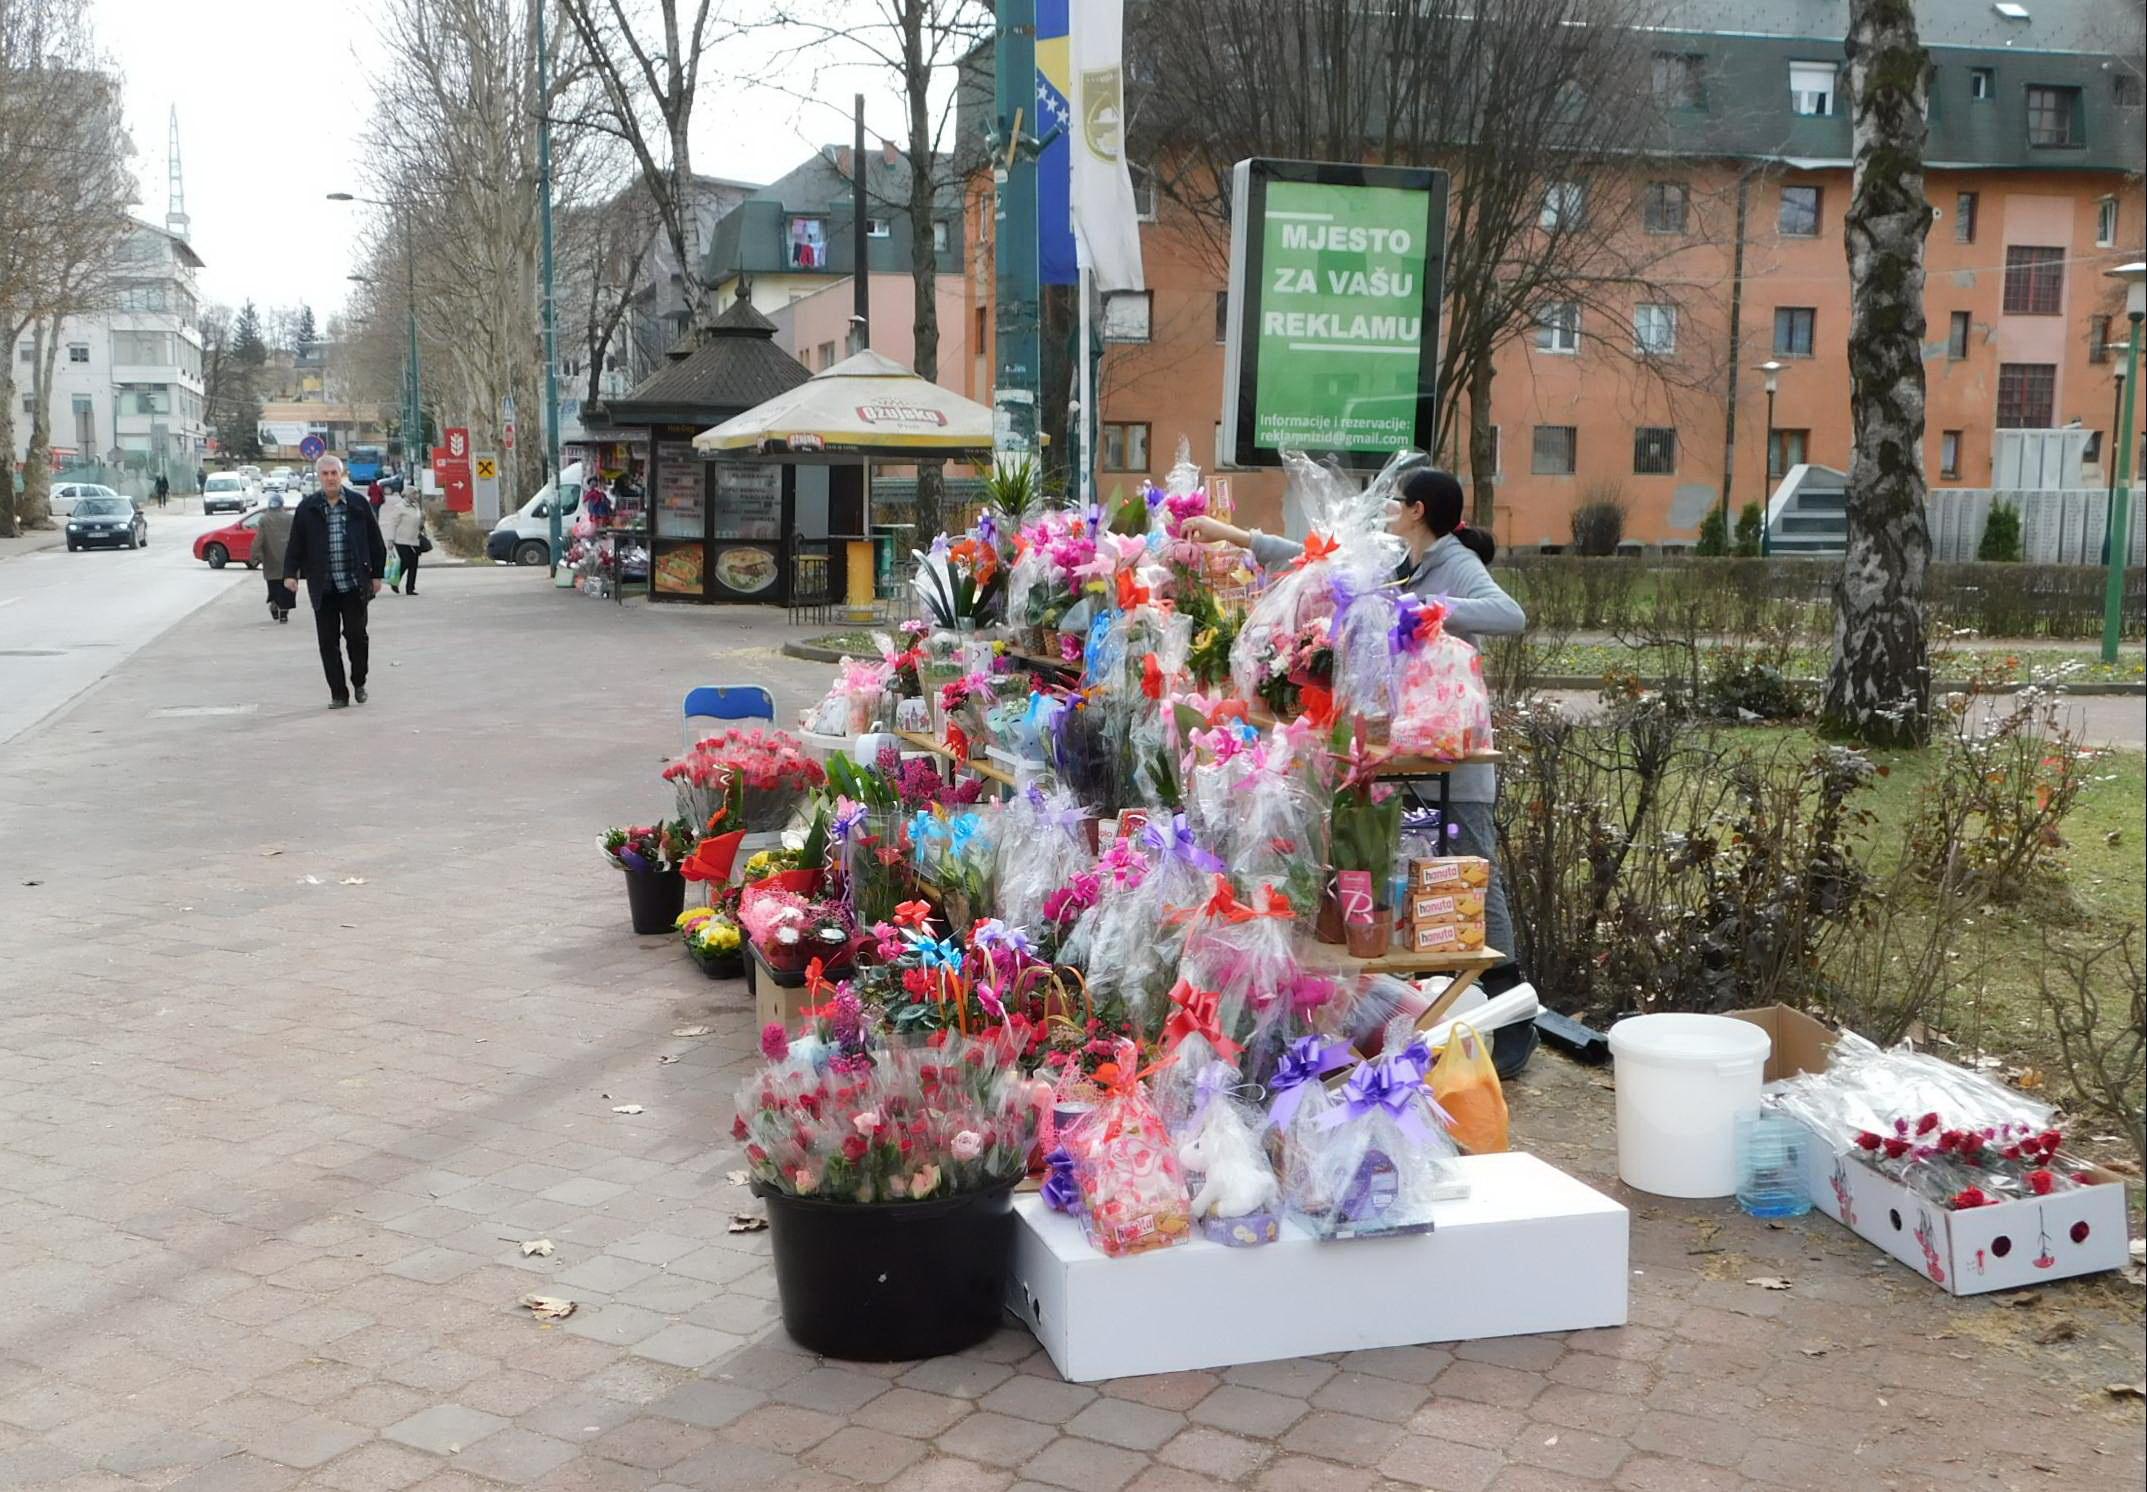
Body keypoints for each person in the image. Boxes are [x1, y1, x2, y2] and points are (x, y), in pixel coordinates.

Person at [1181, 467, 1530, 999]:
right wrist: (1232, 537)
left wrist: (1432, 609)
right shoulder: (1399, 561)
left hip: (1455, 755)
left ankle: (1507, 993)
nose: (1388, 507)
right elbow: (1317, 559)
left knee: (1473, 870)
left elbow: (1511, 614)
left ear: (1418, 511)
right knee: (1430, 877)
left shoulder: (1454, 563)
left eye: (1395, 500)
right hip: (1403, 749)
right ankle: (1448, 994)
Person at [282, 454, 387, 708]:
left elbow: (375, 542)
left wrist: (376, 574)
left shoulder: (358, 504)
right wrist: (290, 573)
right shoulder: (307, 508)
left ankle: (359, 680)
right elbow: (295, 544)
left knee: (356, 637)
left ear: (342, 475)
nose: (330, 478)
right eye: (325, 474)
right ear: (319, 477)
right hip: (324, 586)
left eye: (334, 473)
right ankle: (338, 693)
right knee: (328, 643)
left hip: (353, 583)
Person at [256, 493, 295, 623]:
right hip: (289, 561)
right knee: (288, 588)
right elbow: (298, 539)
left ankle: (274, 603)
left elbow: (258, 540)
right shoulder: (291, 519)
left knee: (274, 587)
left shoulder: (264, 520)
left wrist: (254, 556)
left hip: (271, 561)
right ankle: (284, 612)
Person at [381, 486, 425, 595]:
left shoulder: (416, 506)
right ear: (409, 495)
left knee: (413, 564)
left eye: (417, 494)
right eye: (415, 494)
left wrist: (422, 523)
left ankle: (410, 588)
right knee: (405, 562)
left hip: (414, 539)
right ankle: (395, 582)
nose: (417, 496)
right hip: (401, 540)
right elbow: (393, 524)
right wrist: (390, 540)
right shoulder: (399, 507)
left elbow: (419, 521)